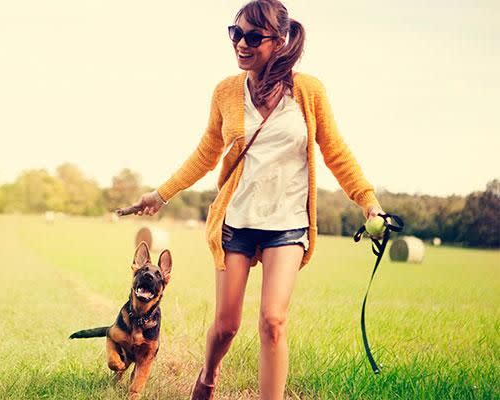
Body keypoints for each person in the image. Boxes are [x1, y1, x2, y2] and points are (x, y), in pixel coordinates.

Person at [131, 1, 385, 399]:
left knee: (273, 322)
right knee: (226, 325)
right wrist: (160, 194)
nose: (241, 44)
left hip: (287, 224)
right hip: (237, 223)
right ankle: (209, 374)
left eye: (253, 36)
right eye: (235, 33)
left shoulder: (308, 91)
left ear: (279, 41)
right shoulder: (226, 92)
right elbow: (205, 154)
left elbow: (335, 150)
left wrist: (367, 200)